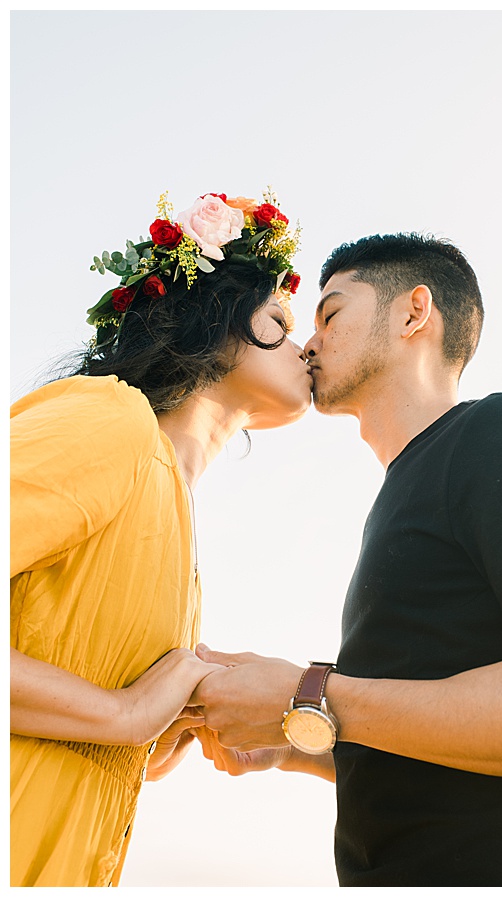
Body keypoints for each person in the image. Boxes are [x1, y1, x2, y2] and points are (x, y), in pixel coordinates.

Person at [191, 232, 502, 886]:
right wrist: (289, 739)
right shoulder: (398, 495)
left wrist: (307, 694)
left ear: (413, 313)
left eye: (330, 314)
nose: (309, 341)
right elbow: (440, 737)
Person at [10, 190, 312, 886]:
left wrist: (173, 724)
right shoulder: (108, 421)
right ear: (218, 322)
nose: (306, 347)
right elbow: (115, 715)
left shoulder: (178, 516)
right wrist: (127, 710)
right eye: (282, 320)